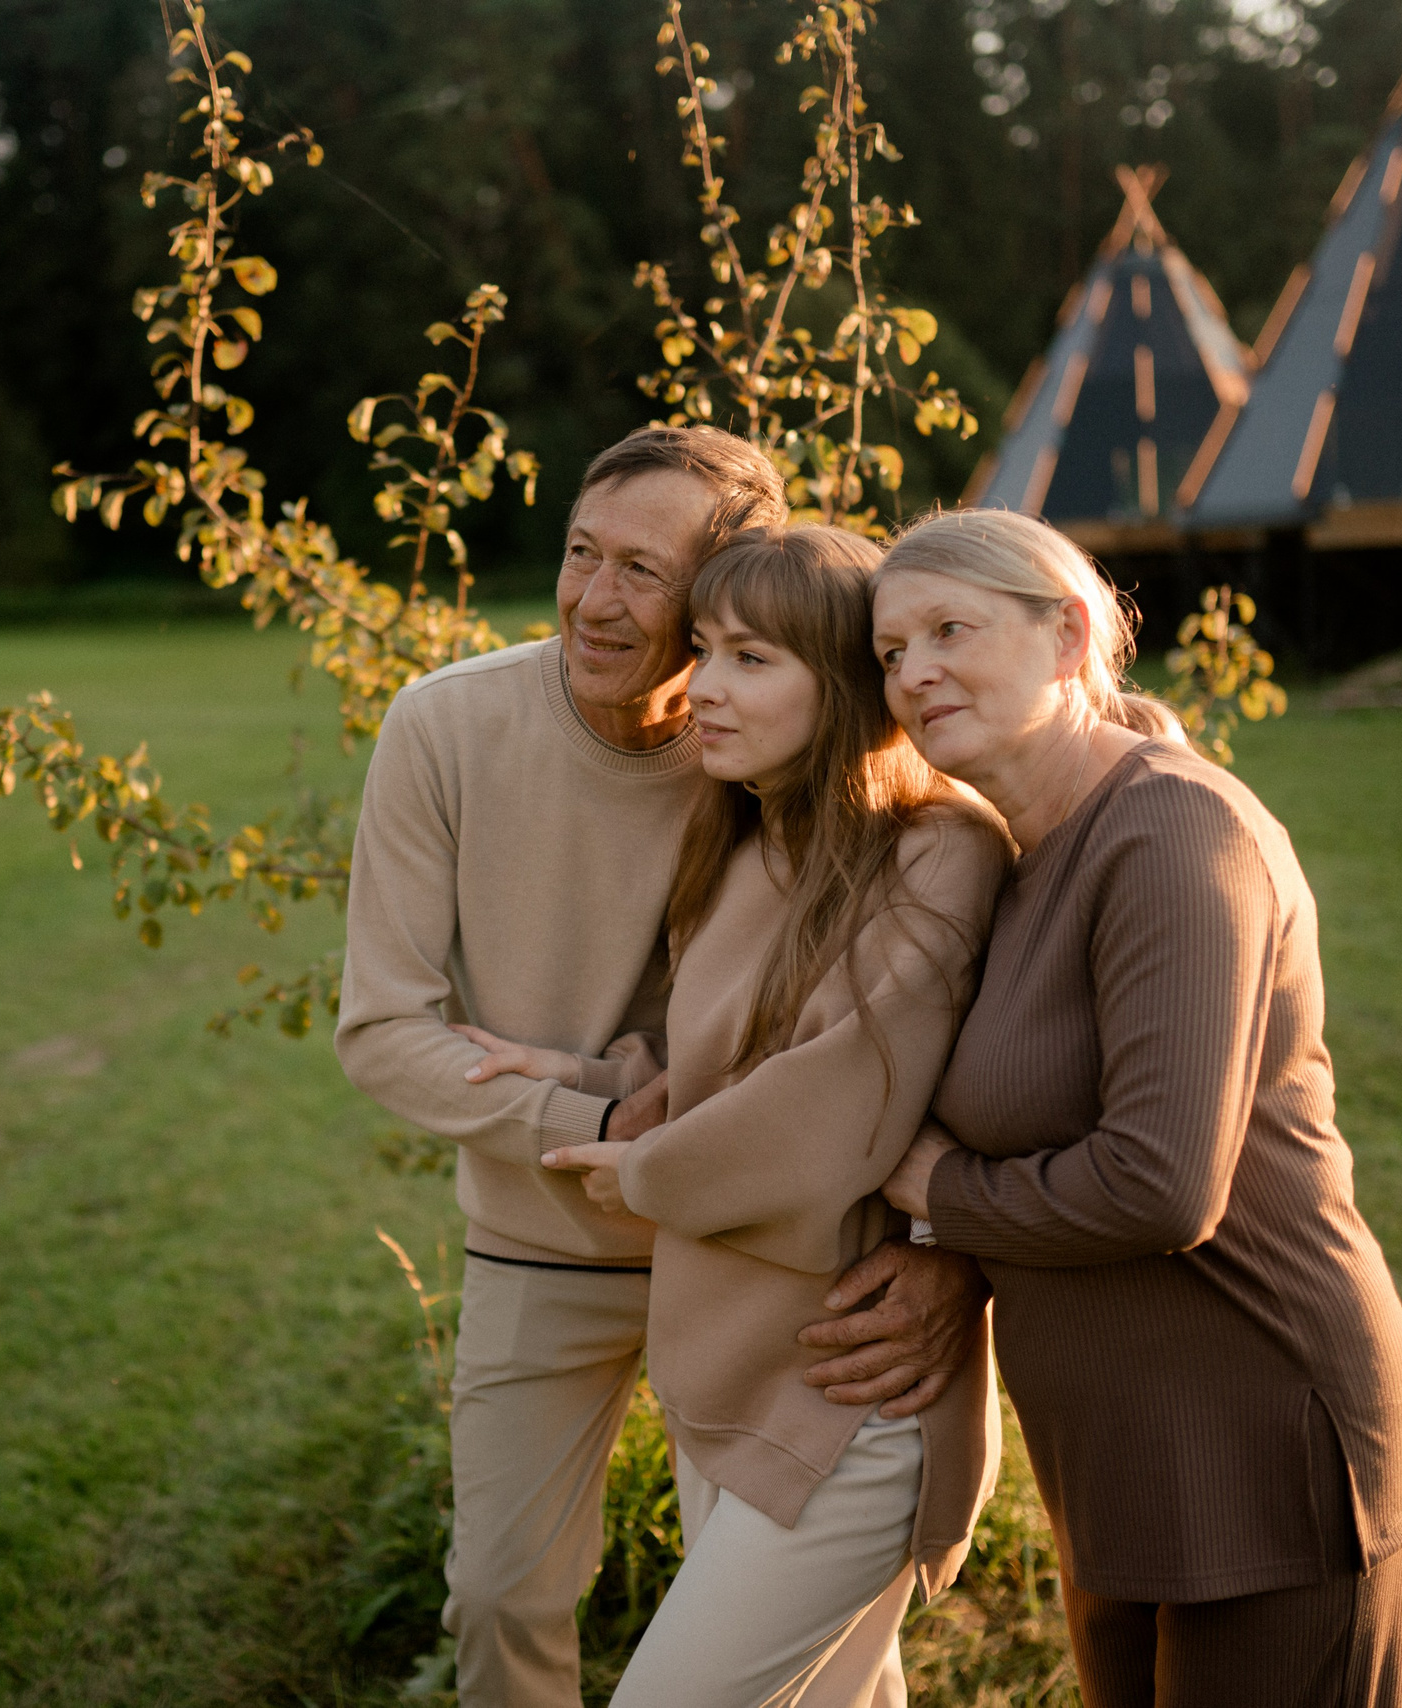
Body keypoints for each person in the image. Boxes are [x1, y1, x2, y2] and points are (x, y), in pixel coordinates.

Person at [333, 428, 986, 1708]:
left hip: (760, 1259)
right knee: (501, 1594)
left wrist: (944, 1244)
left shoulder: (759, 746)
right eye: (582, 552)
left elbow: (832, 1033)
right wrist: (593, 1111)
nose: (594, 598)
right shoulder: (446, 727)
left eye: (643, 571)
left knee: (801, 1634)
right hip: (551, 1226)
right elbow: (383, 1030)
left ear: (715, 596)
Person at [867, 508, 1402, 1708]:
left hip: (1263, 1439)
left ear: (1068, 634)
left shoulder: (1174, 829)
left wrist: (934, 1191)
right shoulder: (1018, 848)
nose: (912, 671)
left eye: (948, 629)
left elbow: (1158, 1184)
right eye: (889, 650)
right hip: (1124, 1455)